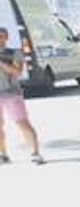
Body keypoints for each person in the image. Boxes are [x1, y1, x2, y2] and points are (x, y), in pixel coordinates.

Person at [0, 30, 44, 165]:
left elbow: (17, 72)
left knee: (22, 123)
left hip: (11, 94)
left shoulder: (15, 53)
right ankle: (3, 154)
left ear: (6, 38)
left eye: (1, 36)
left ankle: (36, 153)